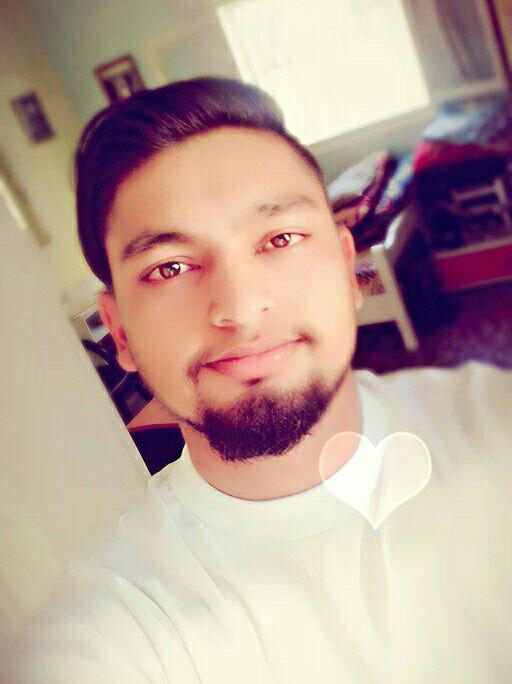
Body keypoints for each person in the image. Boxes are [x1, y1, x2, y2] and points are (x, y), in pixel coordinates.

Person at [5, 76, 512, 683]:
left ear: (348, 267)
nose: (241, 310)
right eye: (169, 268)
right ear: (120, 333)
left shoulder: (493, 419)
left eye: (280, 238)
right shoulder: (114, 634)